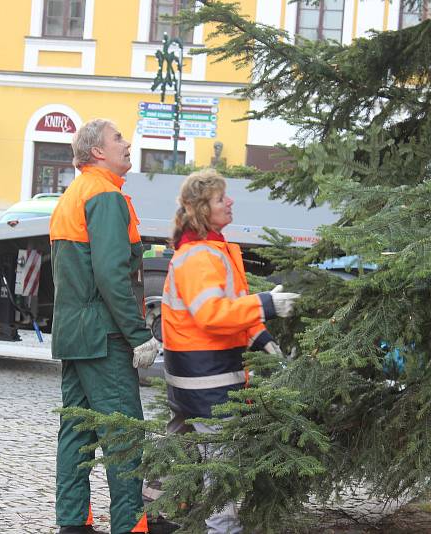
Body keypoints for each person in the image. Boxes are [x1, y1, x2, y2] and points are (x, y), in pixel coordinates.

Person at [160, 168, 300, 534]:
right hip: (207, 376)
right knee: (220, 462)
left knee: (185, 449)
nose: (231, 201)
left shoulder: (209, 250)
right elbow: (211, 314)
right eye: (222, 198)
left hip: (197, 373)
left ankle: (161, 513)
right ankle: (222, 529)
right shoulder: (200, 256)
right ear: (204, 210)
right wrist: (265, 303)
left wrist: (260, 337)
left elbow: (230, 305)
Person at [49, 119, 162, 534]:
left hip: (75, 334)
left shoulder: (74, 193)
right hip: (104, 336)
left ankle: (73, 522)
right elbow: (112, 276)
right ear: (97, 151)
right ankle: (131, 526)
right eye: (119, 138)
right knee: (124, 434)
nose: (127, 143)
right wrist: (139, 335)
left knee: (76, 432)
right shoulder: (105, 196)